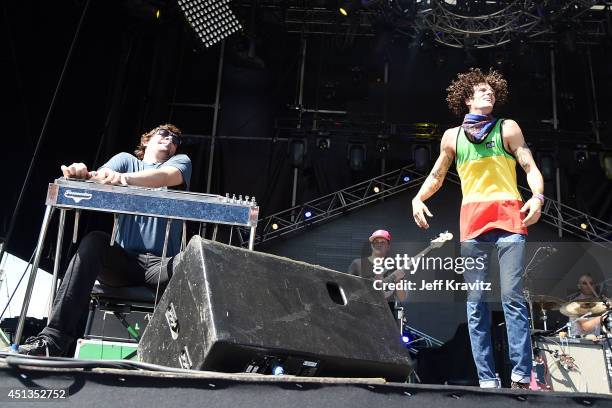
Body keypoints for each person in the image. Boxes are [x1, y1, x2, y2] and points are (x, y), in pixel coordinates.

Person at [411, 68, 545, 389]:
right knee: (476, 301)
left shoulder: (507, 128)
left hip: (509, 216)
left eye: (492, 91)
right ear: (467, 98)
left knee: (511, 295)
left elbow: (530, 167)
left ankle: (520, 375)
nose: (490, 94)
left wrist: (537, 197)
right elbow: (436, 176)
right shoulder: (452, 137)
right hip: (472, 222)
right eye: (482, 90)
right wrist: (418, 197)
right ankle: (486, 378)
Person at [17, 124, 192, 356]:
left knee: (197, 253)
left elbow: (166, 176)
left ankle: (197, 352)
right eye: (163, 133)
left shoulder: (180, 161)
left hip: (163, 265)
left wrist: (123, 179)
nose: (170, 139)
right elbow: (101, 177)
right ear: (147, 140)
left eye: (175, 138)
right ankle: (53, 340)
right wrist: (82, 174)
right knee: (95, 241)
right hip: (125, 263)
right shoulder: (125, 160)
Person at [348, 229, 407, 304]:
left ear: (388, 246)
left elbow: (402, 298)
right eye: (376, 242)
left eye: (382, 242)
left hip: (387, 313)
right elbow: (348, 290)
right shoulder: (357, 264)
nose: (379, 245)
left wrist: (398, 282)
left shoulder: (394, 269)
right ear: (372, 245)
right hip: (362, 312)